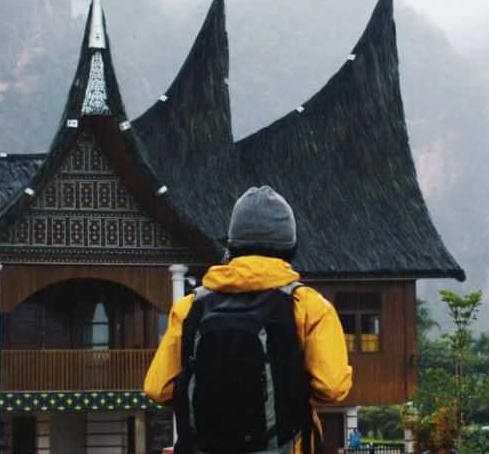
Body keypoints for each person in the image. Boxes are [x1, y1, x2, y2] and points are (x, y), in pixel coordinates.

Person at [144, 186, 353, 454]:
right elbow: (332, 388)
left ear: (232, 246)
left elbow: (157, 388)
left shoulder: (190, 307)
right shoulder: (308, 305)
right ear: (289, 247)